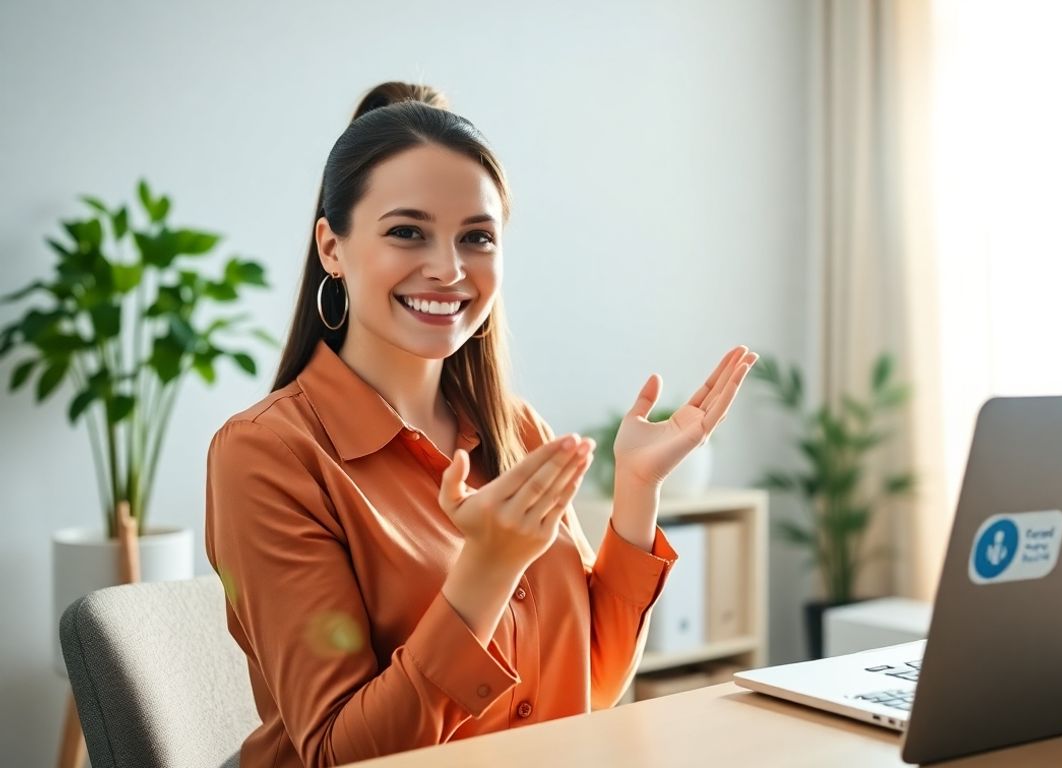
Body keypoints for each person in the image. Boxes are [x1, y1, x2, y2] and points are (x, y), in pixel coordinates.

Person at [205, 81, 757, 768]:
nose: (448, 269)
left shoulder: (515, 429)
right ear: (332, 247)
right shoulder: (268, 454)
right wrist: (487, 570)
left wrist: (637, 490)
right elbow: (337, 755)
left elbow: (591, 686)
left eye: (477, 238)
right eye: (407, 232)